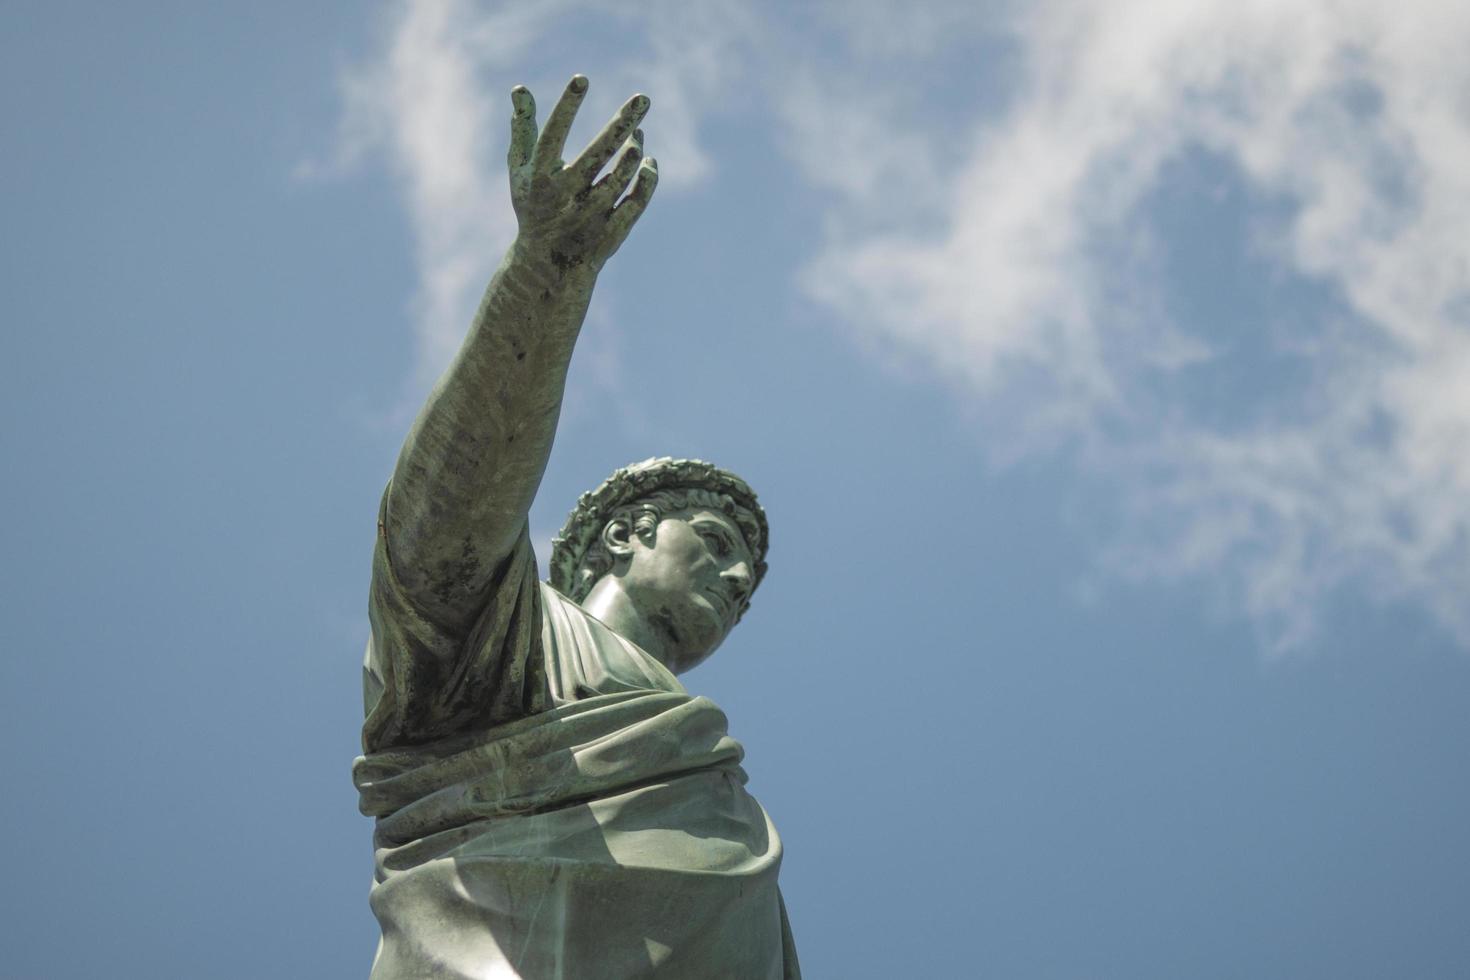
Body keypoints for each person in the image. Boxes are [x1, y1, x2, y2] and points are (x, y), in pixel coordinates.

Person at [353, 75, 800, 979]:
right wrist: (547, 276)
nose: (739, 581)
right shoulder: (511, 640)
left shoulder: (713, 773)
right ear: (622, 535)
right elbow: (445, 523)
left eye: (749, 584)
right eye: (715, 543)